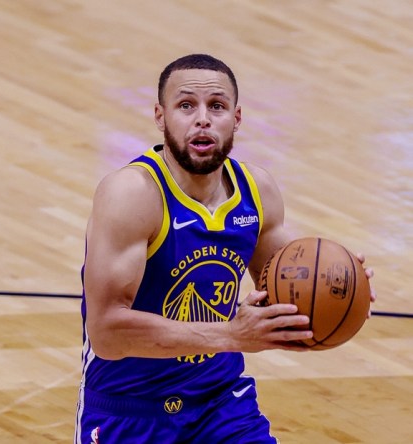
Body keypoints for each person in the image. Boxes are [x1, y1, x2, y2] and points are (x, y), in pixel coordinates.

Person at [74, 54, 375, 443]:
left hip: (221, 405)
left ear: (236, 118)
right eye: (186, 106)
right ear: (160, 116)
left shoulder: (257, 191)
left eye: (216, 106)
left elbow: (288, 298)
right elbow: (107, 333)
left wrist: (342, 290)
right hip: (130, 411)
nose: (202, 118)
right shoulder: (132, 194)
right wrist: (231, 335)